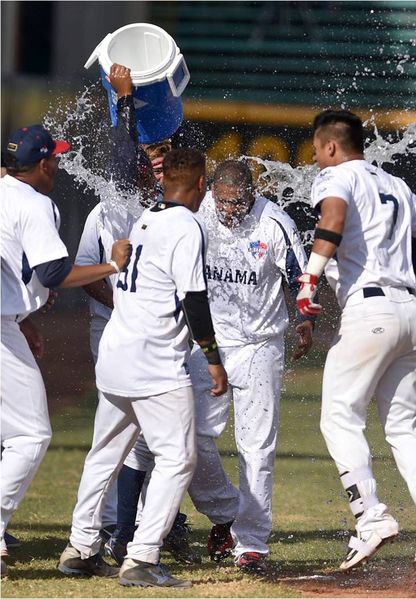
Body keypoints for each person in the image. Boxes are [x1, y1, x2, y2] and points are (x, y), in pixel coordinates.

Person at [58, 148, 228, 589]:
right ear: (200, 186)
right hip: (154, 362)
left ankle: (80, 547)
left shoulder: (145, 216)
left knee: (105, 453)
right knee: (179, 457)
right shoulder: (187, 225)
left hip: (117, 353)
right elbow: (194, 298)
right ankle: (143, 556)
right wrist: (212, 358)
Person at [297, 108, 416, 572]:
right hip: (408, 311)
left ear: (330, 146)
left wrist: (310, 279)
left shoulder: (336, 176)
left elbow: (335, 215)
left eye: (316, 150)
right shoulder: (396, 184)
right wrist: (395, 272)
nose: (315, 158)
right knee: (402, 423)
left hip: (370, 310)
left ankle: (371, 518)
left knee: (338, 417)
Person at [1, 124, 131, 578]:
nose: (57, 164)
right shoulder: (35, 202)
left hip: (7, 323)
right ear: (41, 165)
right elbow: (55, 273)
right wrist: (114, 264)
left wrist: (24, 316)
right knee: (29, 435)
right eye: (53, 158)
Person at [183, 159, 314, 574]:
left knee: (256, 447)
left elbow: (301, 276)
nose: (229, 211)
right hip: (209, 344)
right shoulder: (199, 214)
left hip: (260, 345)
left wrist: (306, 318)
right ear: (212, 194)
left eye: (236, 203)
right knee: (190, 437)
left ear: (251, 195)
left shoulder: (273, 223)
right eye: (222, 202)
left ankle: (251, 543)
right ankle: (226, 512)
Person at [96, 63, 198, 566]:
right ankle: (125, 537)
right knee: (147, 447)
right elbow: (120, 159)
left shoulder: (173, 209)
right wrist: (124, 104)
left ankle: (113, 536)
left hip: (163, 331)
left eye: (163, 159)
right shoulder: (120, 202)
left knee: (151, 444)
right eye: (150, 159)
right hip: (139, 332)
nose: (155, 166)